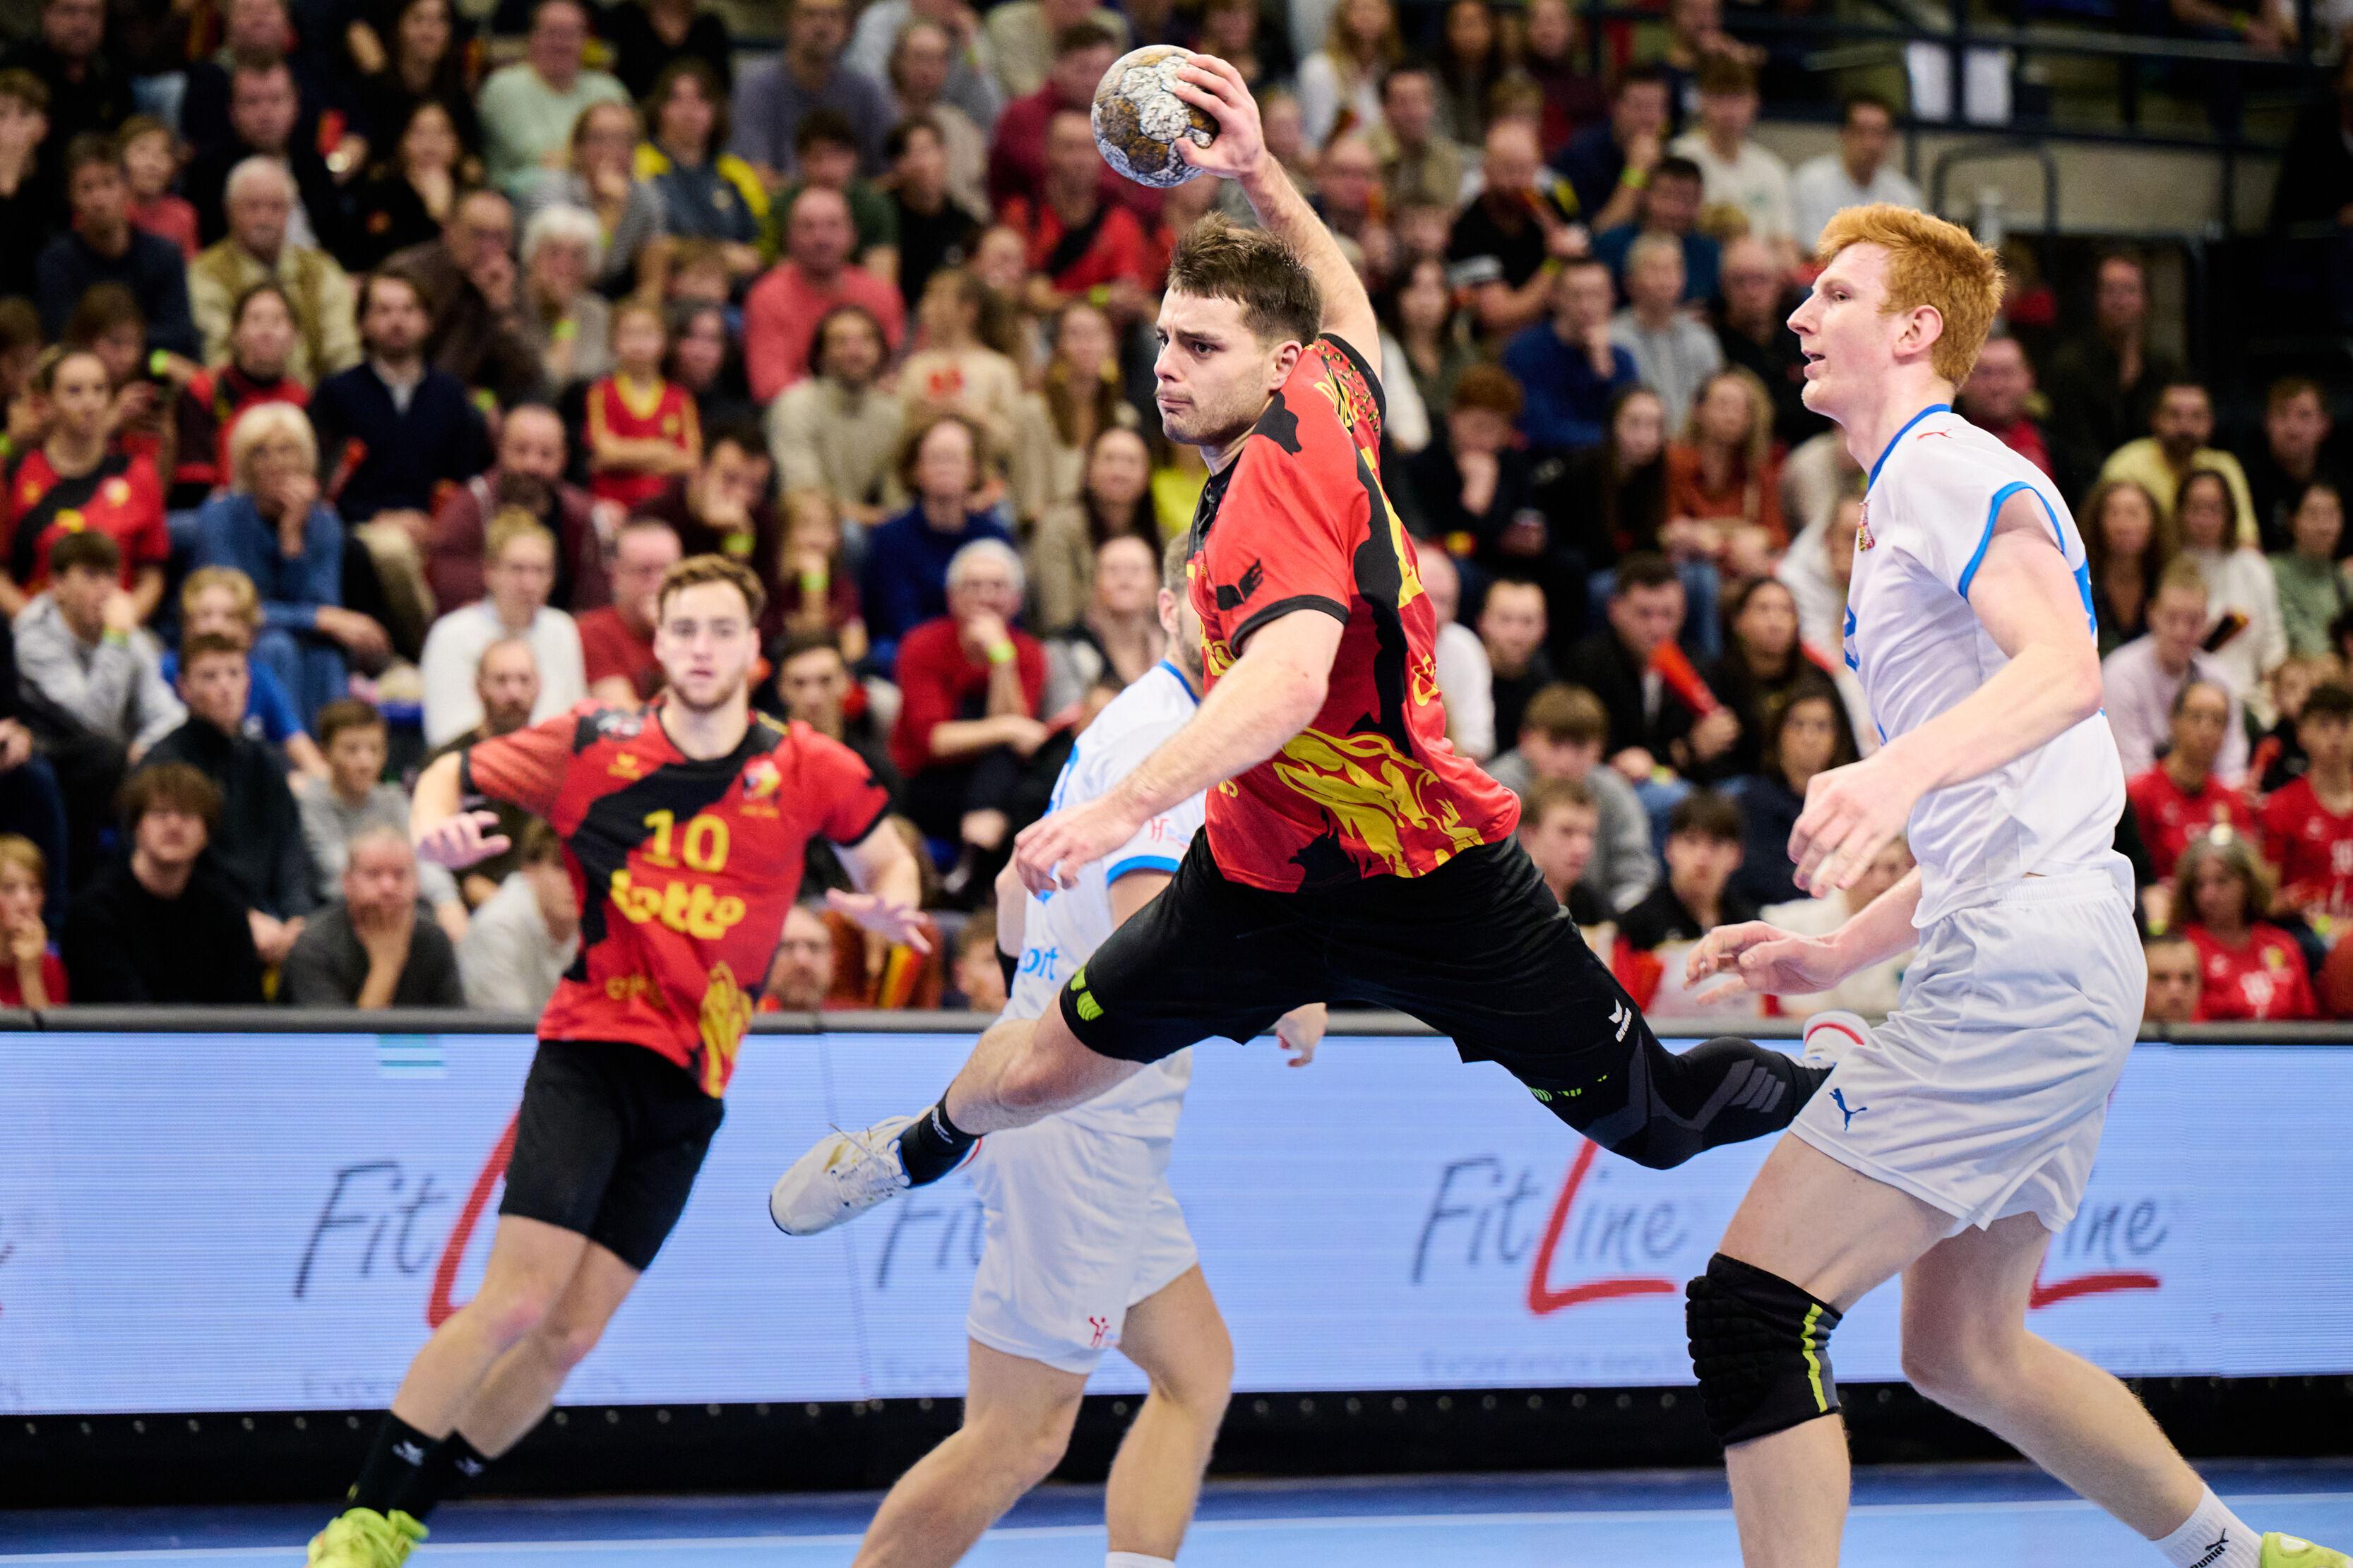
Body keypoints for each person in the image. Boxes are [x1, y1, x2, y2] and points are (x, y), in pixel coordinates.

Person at [770, 59, 1825, 1244]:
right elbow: (1348, 305)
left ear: (1268, 367)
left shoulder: (1266, 495)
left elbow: (1286, 682)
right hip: (1262, 879)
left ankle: (1871, 1095)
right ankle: (911, 1148)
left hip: (1435, 876)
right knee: (1036, 1076)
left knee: (1657, 1118)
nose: (1166, 365)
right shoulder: (1322, 386)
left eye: (1201, 347)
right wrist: (1263, 175)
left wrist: (1120, 812)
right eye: (1166, 337)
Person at [1681, 203, 2347, 1568]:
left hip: (2030, 958)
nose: (1800, 315)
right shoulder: (1899, 501)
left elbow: (2060, 678)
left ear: (1915, 329)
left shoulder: (1945, 466)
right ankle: (2246, 1559)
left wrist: (1884, 782)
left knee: (1751, 1305)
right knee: (1962, 1346)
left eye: (1834, 294)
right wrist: (1839, 944)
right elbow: (2007, 791)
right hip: (2045, 932)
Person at [305, 554, 929, 1568]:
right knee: (513, 1302)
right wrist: (434, 834)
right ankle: (360, 1519)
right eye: (684, 629)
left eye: (723, 629)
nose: (702, 648)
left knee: (571, 1338)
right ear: (659, 642)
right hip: (591, 1052)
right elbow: (442, 775)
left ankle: (406, 1514)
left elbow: (883, 851)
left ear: (753, 648)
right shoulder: (595, 743)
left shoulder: (808, 764)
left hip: (695, 1086)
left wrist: (883, 895)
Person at [846, 530, 1320, 1568]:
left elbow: (1020, 903)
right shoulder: (1178, 746)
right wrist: (1285, 989)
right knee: (1019, 1434)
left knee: (1197, 1369)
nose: (1236, 618)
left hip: (1085, 1099)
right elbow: (1152, 925)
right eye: (1216, 597)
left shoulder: (1144, 718)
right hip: (1080, 1117)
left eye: (1259, 600)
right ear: (1168, 608)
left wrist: (1035, 982)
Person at [194, 404, 391, 725]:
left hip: (299, 639)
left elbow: (322, 605)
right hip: (229, 639)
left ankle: (331, 758)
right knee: (278, 646)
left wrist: (291, 540)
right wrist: (316, 618)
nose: (277, 464)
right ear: (245, 463)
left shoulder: (323, 521)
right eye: (261, 453)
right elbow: (236, 611)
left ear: (306, 458)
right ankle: (285, 759)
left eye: (287, 450)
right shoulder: (220, 516)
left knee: (326, 655)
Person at [141, 628, 317, 964]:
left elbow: (290, 849)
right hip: (193, 916)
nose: (225, 687)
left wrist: (298, 917)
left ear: (249, 683)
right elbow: (174, 864)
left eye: (234, 674)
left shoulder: (265, 761)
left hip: (271, 918)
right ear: (183, 688)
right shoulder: (164, 766)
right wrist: (241, 917)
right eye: (209, 676)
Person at [890, 537, 1047, 861]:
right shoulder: (922, 644)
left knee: (1020, 779)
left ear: (1017, 599)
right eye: (973, 586)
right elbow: (935, 740)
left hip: (992, 780)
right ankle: (977, 872)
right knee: (1012, 781)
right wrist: (1008, 729)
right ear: (952, 597)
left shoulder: (1028, 651)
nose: (986, 596)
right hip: (928, 780)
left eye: (997, 586)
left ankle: (974, 864)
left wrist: (1002, 657)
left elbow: (1015, 732)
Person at [60, 762, 265, 1003]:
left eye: (188, 815)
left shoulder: (225, 910)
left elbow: (245, 1008)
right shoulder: (95, 911)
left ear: (206, 833)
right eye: (160, 814)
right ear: (136, 826)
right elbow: (115, 1007)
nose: (174, 825)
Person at [1, 346, 168, 622]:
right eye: (74, 391)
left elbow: (152, 577)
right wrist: (35, 622)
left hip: (117, 629)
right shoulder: (13, 474)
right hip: (38, 630)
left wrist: (124, 621)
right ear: (47, 404)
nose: (89, 402)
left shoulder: (139, 472)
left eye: (99, 389)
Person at [1485, 681, 1657, 912]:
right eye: (1555, 743)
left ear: (1599, 749)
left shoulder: (1613, 791)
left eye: (1579, 746)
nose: (1566, 762)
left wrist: (1617, 922)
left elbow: (1636, 874)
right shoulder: (1496, 789)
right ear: (1526, 739)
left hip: (1597, 917)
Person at [188, 157, 361, 387]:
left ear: (291, 211)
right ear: (229, 211)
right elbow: (217, 360)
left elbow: (344, 357)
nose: (264, 218)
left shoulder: (322, 270)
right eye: (253, 206)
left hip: (317, 409)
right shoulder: (205, 273)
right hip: (237, 406)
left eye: (275, 206)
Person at [12, 529, 183, 759]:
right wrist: (115, 640)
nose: (105, 590)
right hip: (58, 762)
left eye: (112, 576)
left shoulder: (123, 631)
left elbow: (169, 715)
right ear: (57, 585)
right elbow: (93, 726)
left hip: (116, 761)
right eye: (91, 575)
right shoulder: (35, 638)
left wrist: (145, 748)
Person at [419, 513, 588, 746]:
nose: (529, 584)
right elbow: (446, 733)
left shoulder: (562, 629)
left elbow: (574, 721)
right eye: (517, 569)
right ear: (490, 572)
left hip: (549, 766)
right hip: (472, 765)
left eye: (540, 570)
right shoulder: (451, 634)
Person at [864, 412, 1015, 668]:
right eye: (936, 458)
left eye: (955, 458)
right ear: (916, 470)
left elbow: (1010, 617)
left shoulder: (994, 536)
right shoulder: (890, 538)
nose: (945, 467)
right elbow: (899, 623)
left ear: (973, 470)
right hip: (914, 659)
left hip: (984, 657)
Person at [299, 697, 465, 930]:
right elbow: (335, 871)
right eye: (352, 750)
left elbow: (424, 857)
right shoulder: (311, 802)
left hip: (399, 906)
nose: (365, 762)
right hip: (337, 916)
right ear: (325, 752)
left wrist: (447, 901)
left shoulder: (393, 798)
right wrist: (400, 879)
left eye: (374, 750)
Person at [423, 402, 603, 616]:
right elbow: (452, 588)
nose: (532, 465)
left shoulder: (582, 516)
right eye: (520, 450)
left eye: (546, 454)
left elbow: (596, 600)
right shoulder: (470, 508)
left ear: (564, 458)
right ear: (500, 449)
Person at [34, 136, 198, 357]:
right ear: (71, 197)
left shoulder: (164, 256)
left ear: (127, 188)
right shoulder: (56, 262)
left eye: (108, 184)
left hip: (154, 376)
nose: (99, 199)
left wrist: (121, 347)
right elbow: (63, 338)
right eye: (87, 188)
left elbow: (178, 335)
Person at [383, 188, 545, 407]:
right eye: (479, 235)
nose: (490, 248)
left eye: (500, 237)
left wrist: (502, 310)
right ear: (449, 232)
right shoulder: (409, 274)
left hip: (480, 405)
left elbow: (531, 375)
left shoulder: (511, 284)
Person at [744, 186, 907, 402]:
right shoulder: (767, 296)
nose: (821, 238)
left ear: (853, 234)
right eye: (808, 227)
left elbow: (895, 375)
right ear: (789, 238)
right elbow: (768, 387)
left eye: (833, 225)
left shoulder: (882, 294)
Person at [281, 824, 467, 1007]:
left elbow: (456, 1029)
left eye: (400, 874)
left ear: (417, 881)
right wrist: (386, 964)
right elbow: (338, 1037)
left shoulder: (433, 939)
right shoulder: (312, 947)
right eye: (373, 874)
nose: (388, 887)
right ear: (348, 882)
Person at [2104, 558, 2251, 782]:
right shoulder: (2120, 673)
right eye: (2172, 619)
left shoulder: (2218, 677)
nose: (2181, 632)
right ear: (2153, 615)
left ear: (2205, 622)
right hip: (2141, 803)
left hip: (2207, 800)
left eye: (2193, 621)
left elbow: (2232, 767)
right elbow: (2132, 773)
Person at [423, 638, 542, 908]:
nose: (514, 693)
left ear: (539, 685)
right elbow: (442, 864)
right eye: (501, 680)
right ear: (479, 687)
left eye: (524, 680)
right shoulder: (448, 763)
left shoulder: (558, 760)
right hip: (467, 908)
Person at [766, 304, 905, 529]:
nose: (855, 351)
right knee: (849, 533)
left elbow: (898, 498)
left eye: (866, 340)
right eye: (841, 342)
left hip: (867, 521)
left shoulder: (893, 413)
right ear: (820, 355)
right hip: (802, 524)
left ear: (882, 352)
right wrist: (879, 519)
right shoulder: (795, 404)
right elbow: (804, 495)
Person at [1446, 119, 1584, 341]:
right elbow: (1498, 315)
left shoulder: (1553, 206)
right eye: (1508, 169)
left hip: (1565, 331)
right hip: (1500, 344)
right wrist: (1554, 263)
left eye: (1527, 169)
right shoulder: (1468, 227)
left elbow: (1587, 272)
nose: (1519, 181)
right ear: (1487, 170)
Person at [476, 0, 629, 198]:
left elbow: (630, 153)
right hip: (521, 203)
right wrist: (594, 160)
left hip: (601, 199)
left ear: (586, 40)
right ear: (532, 37)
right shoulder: (504, 86)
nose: (561, 43)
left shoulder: (608, 90)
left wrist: (569, 159)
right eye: (552, 32)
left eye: (571, 33)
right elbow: (533, 154)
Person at [633, 60, 766, 287]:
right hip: (666, 287)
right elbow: (646, 242)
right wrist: (720, 254)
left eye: (701, 99)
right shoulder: (639, 163)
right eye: (677, 99)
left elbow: (760, 239)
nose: (690, 110)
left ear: (716, 110)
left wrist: (753, 256)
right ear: (659, 109)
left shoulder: (735, 171)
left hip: (732, 289)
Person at [729, 0, 894, 181]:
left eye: (833, 16)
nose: (822, 26)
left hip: (852, 208)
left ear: (849, 28)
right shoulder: (756, 85)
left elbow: (887, 174)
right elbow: (754, 172)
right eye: (810, 15)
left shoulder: (866, 90)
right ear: (789, 22)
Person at [1755, 839, 1917, 1019]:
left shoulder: (1921, 932)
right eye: (1868, 868)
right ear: (1845, 868)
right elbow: (1793, 1015)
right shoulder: (1789, 925)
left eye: (1892, 868)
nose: (1881, 881)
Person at [1729, 680, 1857, 909]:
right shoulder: (1752, 802)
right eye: (1798, 725)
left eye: (1821, 726)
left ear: (1839, 737)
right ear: (1779, 731)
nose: (1809, 737)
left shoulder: (1851, 798)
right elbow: (1752, 878)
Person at [2125, 678, 2259, 885]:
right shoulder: (2140, 794)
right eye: (2196, 717)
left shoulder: (2232, 802)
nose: (2206, 730)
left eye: (2217, 721)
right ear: (2174, 721)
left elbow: (2249, 876)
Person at [1501, 256, 1637, 455]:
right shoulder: (1524, 352)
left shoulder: (1620, 358)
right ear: (1555, 298)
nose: (1586, 307)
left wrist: (1604, 371)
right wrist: (1614, 439)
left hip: (1609, 467)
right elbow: (1540, 430)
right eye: (1576, 295)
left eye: (1597, 295)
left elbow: (1632, 423)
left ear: (1612, 298)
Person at [2175, 831, 2317, 1022]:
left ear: (2249, 884)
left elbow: (2308, 1025)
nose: (2208, 896)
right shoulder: (2184, 949)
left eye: (2222, 881)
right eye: (2199, 885)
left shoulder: (2282, 945)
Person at [2176, 465, 2288, 707]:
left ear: (2230, 514)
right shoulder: (2171, 566)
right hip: (2188, 700)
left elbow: (2273, 639)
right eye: (2196, 509)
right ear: (2181, 513)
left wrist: (2274, 688)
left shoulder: (2252, 566)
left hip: (2250, 696)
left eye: (2214, 509)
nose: (2205, 519)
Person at [2101, 379, 2260, 541]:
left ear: (2211, 422)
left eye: (2196, 416)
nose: (2185, 427)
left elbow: (2246, 540)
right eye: (2174, 415)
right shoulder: (2127, 463)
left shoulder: (2224, 467)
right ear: (2155, 419)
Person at [1669, 59, 1794, 263]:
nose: (1729, 111)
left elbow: (1785, 243)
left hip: (1756, 272)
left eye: (1738, 99)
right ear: (1702, 101)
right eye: (1720, 98)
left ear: (1755, 103)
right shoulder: (1679, 158)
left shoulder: (1771, 169)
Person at [1667, 366, 1785, 580]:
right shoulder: (1674, 461)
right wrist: (1690, 535)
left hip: (1740, 570)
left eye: (1742, 409)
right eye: (1723, 405)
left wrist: (1761, 538)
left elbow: (1778, 533)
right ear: (1698, 410)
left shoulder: (1757, 469)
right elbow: (1666, 525)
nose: (1732, 415)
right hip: (1690, 568)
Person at [583, 302, 700, 513]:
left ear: (664, 341)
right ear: (613, 341)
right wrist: (663, 449)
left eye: (647, 333)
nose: (638, 342)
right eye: (629, 333)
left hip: (665, 507)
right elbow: (607, 452)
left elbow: (691, 461)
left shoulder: (680, 399)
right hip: (612, 505)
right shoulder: (601, 393)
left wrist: (623, 458)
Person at [457, 818, 579, 1013]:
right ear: (529, 870)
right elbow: (511, 1034)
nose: (574, 881)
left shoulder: (603, 920)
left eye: (583, 869)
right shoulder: (496, 929)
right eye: (561, 867)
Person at [2260, 678, 2353, 929]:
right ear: (2302, 733)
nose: (2335, 735)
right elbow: (2265, 902)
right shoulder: (2281, 807)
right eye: (2324, 724)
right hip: (2307, 935)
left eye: (2344, 725)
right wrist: (2291, 902)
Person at [1610, 233, 1724, 432]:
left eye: (1673, 269)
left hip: (1692, 448)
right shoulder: (1613, 339)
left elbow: (1714, 402)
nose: (1665, 279)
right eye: (1654, 269)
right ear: (1629, 281)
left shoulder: (1701, 338)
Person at [1041, 533, 1165, 712]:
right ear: (1094, 583)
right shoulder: (1066, 648)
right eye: (1113, 570)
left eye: (1136, 570)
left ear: (1156, 582)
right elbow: (1063, 725)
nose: (1125, 580)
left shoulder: (1175, 644)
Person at [346, 101, 470, 274]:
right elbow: (374, 258)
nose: (430, 145)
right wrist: (433, 216)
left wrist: (444, 212)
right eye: (419, 133)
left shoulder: (472, 195)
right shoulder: (379, 194)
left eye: (441, 133)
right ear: (403, 141)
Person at [1787, 94, 1921, 253]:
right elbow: (1811, 250)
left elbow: (1913, 253)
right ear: (1843, 133)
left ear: (1891, 138)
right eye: (1861, 131)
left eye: (1879, 132)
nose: (1871, 144)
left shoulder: (1905, 194)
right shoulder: (1810, 182)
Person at [1549, 65, 1671, 234]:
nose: (1648, 118)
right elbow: (1599, 234)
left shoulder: (1672, 152)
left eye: (1656, 107)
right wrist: (1636, 171)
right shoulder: (1581, 157)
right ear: (1615, 107)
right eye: (1639, 107)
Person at [578, 517, 682, 707]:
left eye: (667, 570)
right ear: (616, 575)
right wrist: (666, 630)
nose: (658, 582)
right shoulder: (595, 631)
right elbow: (623, 717)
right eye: (645, 570)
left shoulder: (697, 628)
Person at [1592, 154, 1721, 308]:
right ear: (1644, 196)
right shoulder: (1612, 245)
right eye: (1666, 196)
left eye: (1687, 199)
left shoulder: (1711, 253)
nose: (1675, 210)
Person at [2244, 376, 2351, 553]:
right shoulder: (2246, 483)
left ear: (2324, 424)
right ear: (2267, 422)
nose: (2293, 428)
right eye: (2282, 414)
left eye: (2304, 415)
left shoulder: (2344, 483)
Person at [513, 203, 611, 393]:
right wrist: (565, 314)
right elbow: (549, 384)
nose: (564, 265)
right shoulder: (511, 305)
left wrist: (568, 312)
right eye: (554, 252)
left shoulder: (596, 312)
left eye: (576, 256)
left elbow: (588, 384)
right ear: (532, 255)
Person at [2081, 477, 2174, 656]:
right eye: (2114, 514)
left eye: (2133, 513)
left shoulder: (2167, 582)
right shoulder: (2081, 583)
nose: (2123, 525)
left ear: (2153, 521)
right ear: (2098, 523)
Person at [1953, 332, 2056, 486]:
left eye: (2007, 373)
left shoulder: (2058, 449)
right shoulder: (1943, 447)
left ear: (2029, 378)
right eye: (1985, 374)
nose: (1996, 387)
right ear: (1962, 381)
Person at [1517, 774, 1611, 925]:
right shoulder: (1499, 902)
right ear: (1529, 834)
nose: (1582, 848)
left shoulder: (1595, 906)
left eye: (1589, 834)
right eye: (1567, 832)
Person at [0, 833, 63, 1005]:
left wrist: (30, 973)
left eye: (34, 888)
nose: (24, 901)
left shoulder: (50, 967)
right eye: (9, 888)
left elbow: (47, 1031)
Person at [2141, 930, 2201, 1024]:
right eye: (2161, 978)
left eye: (2186, 978)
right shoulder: (2115, 1038)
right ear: (2139, 984)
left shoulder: (2218, 1038)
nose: (2176, 989)